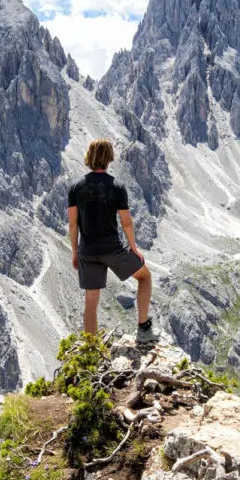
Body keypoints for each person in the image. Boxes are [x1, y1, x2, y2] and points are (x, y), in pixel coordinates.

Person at [68, 139, 158, 343]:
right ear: (109, 158)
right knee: (145, 277)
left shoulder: (76, 188)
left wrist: (75, 253)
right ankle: (143, 329)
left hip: (88, 251)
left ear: (89, 158)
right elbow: (126, 222)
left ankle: (90, 351)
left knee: (91, 300)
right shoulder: (117, 186)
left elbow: (73, 224)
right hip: (113, 249)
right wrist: (133, 248)